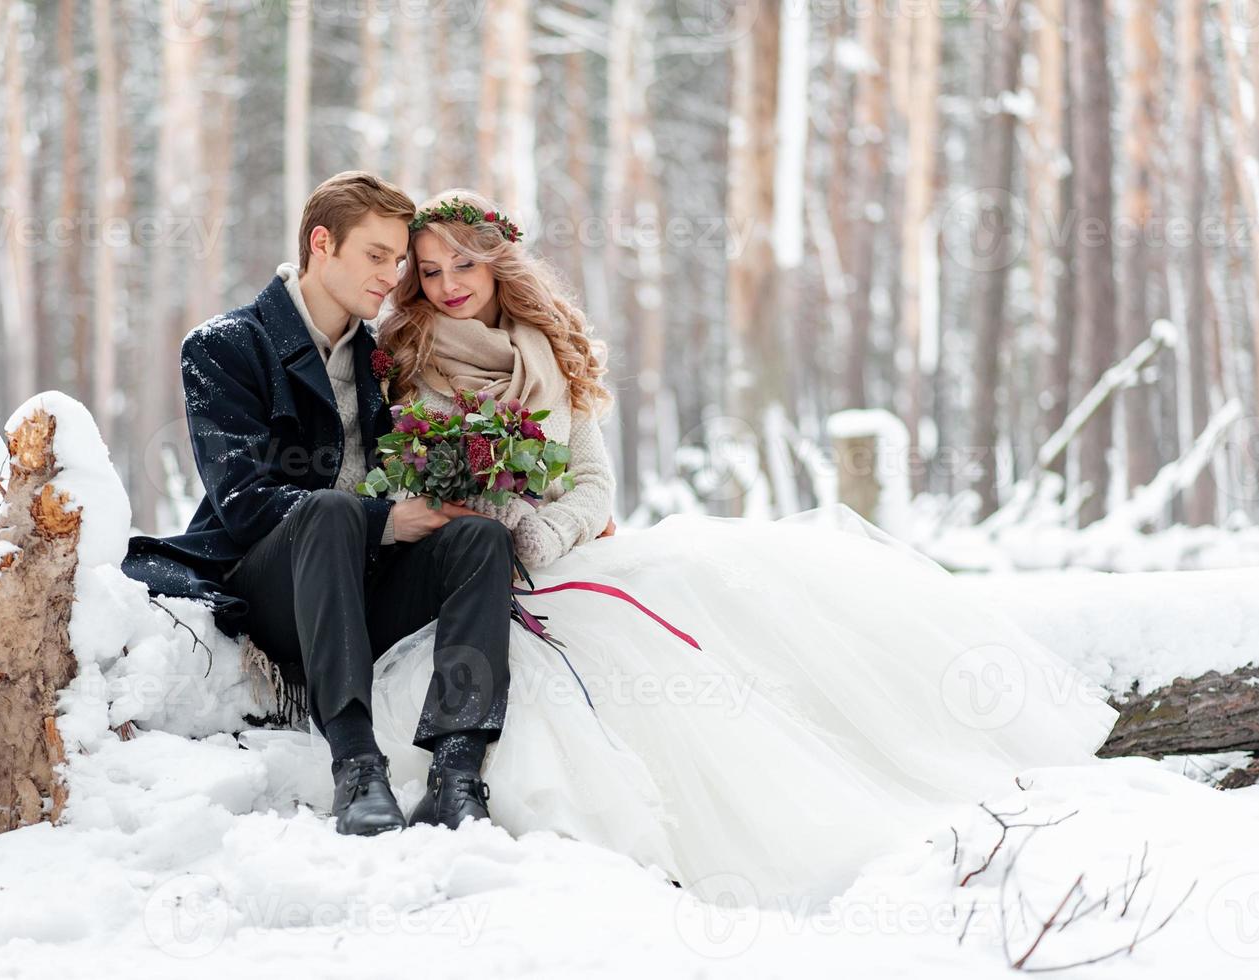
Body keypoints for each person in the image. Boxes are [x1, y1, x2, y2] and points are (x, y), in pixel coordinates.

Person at [345, 189, 1121, 905]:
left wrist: (545, 529)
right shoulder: (405, 361)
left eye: (465, 264)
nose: (449, 284)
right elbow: (389, 483)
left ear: (498, 262)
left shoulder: (552, 351)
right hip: (464, 563)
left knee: (706, 603)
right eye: (432, 270)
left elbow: (590, 485)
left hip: (556, 551)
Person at [121, 173, 517, 837]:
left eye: (397, 261)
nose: (391, 277)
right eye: (375, 256)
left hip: (364, 590)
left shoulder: (384, 360)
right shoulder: (226, 346)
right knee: (327, 511)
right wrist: (384, 520)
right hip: (274, 593)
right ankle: (357, 766)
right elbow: (245, 502)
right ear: (321, 243)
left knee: (480, 540)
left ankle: (456, 773)